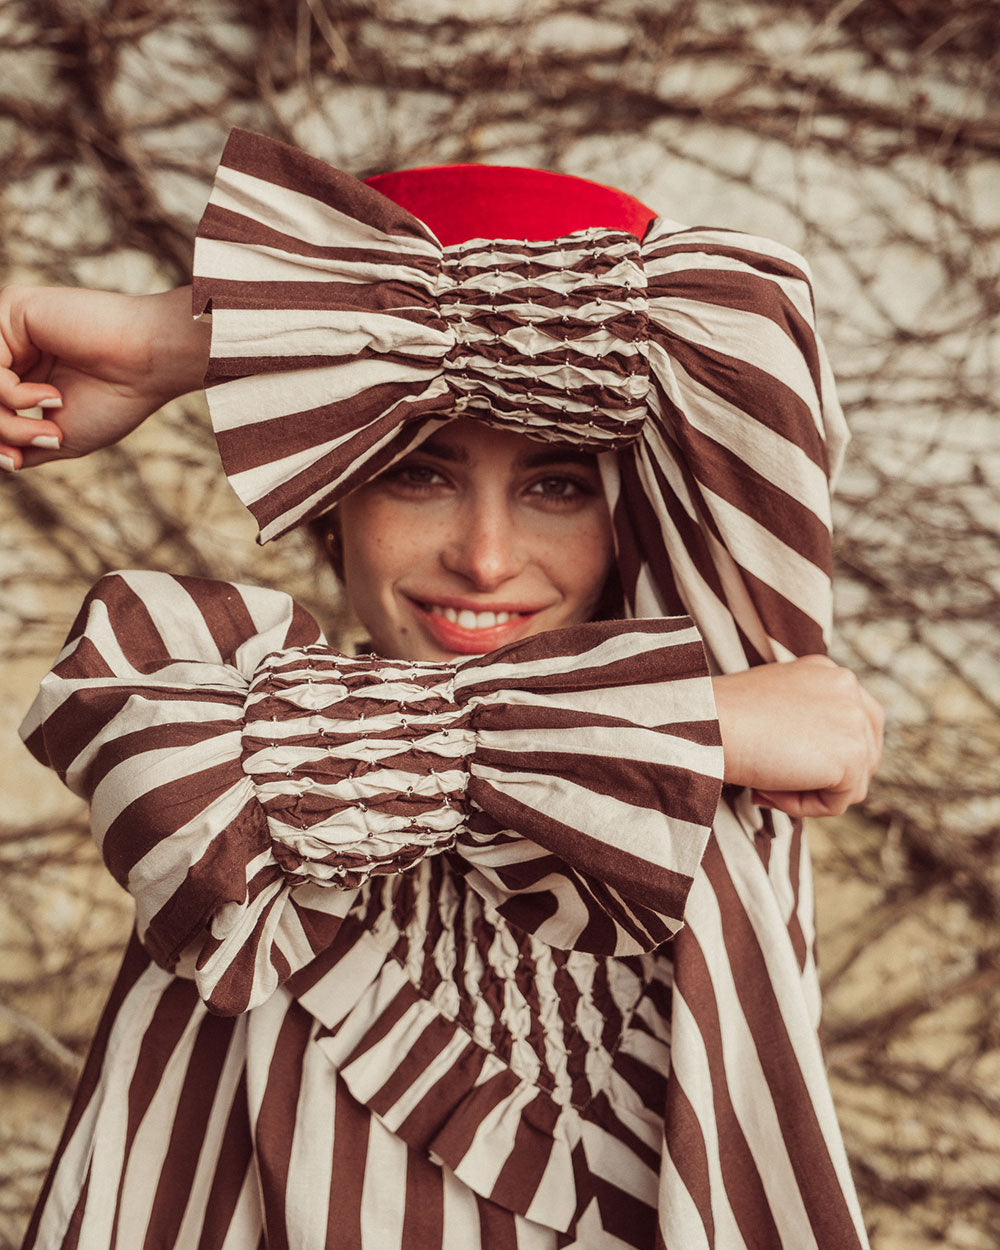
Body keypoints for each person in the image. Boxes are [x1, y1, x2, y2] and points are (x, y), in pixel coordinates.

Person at [0, 130, 883, 1250]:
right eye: (419, 471)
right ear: (331, 500)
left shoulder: (730, 671)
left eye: (558, 484)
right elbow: (193, 795)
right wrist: (696, 723)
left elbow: (743, 329)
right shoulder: (221, 728)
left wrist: (200, 341)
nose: (482, 553)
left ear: (628, 521)